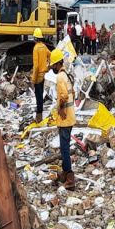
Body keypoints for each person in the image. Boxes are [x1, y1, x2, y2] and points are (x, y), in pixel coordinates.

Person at [50, 49, 76, 189]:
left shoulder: (60, 77)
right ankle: (65, 173)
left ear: (58, 63)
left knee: (64, 149)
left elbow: (64, 96)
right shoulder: (67, 75)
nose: (52, 67)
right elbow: (73, 93)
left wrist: (60, 109)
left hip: (65, 118)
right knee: (64, 146)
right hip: (70, 116)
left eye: (54, 65)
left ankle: (70, 178)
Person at [30, 29, 50, 123]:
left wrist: (33, 79)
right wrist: (48, 66)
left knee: (38, 95)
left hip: (38, 76)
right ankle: (40, 112)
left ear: (35, 38)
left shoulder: (36, 48)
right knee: (40, 94)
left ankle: (39, 115)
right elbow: (50, 55)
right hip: (44, 74)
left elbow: (36, 66)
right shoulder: (44, 46)